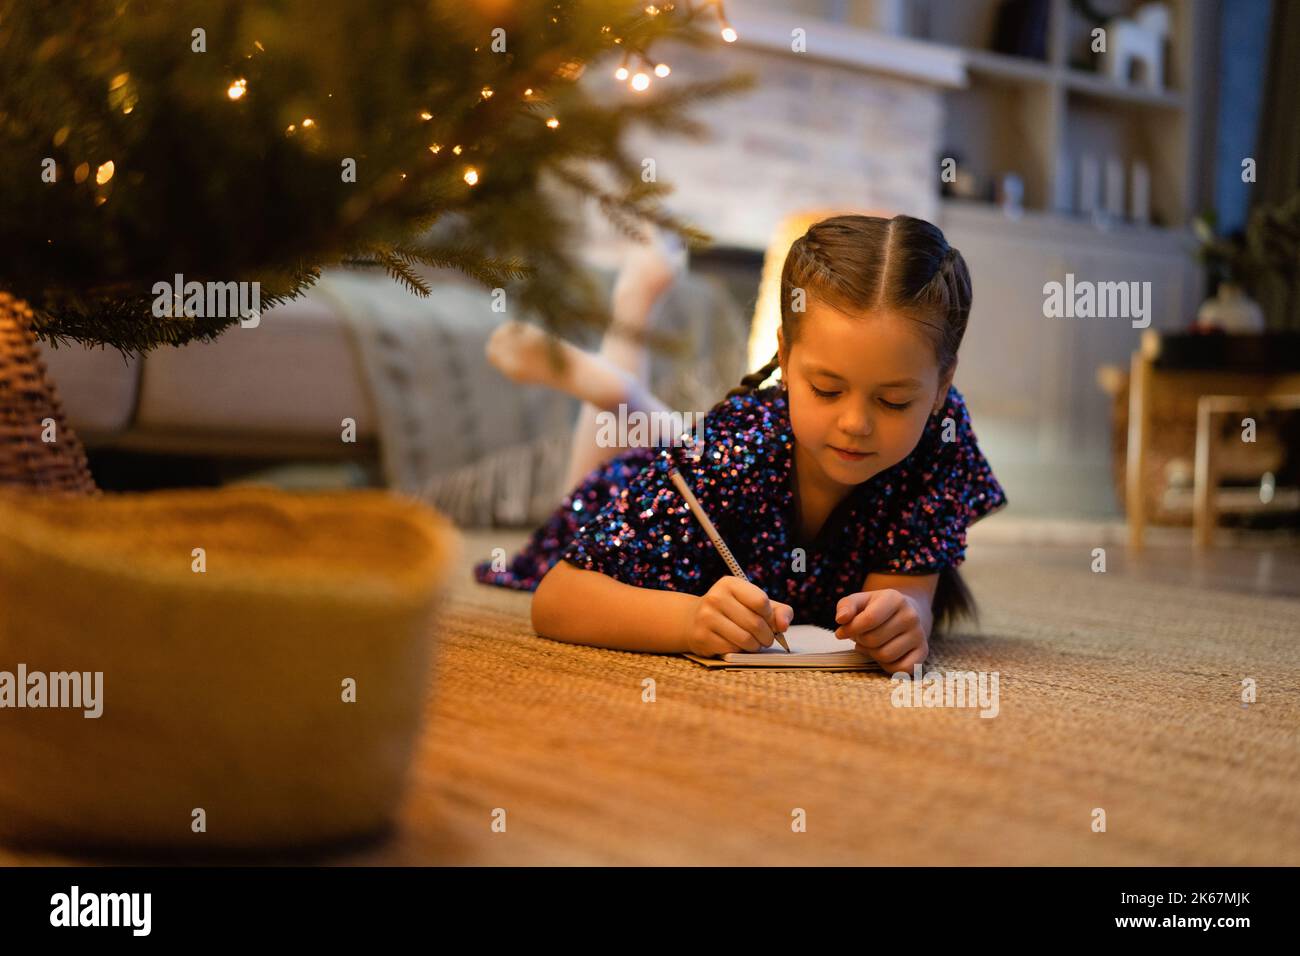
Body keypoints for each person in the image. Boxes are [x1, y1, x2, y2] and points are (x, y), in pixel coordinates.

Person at [474, 214, 1008, 674]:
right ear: (784, 354)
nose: (856, 424)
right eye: (826, 389)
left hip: (696, 459)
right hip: (625, 496)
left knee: (679, 446)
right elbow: (558, 599)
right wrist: (687, 621)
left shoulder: (943, 434)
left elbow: (910, 583)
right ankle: (621, 361)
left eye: (893, 402)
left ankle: (623, 386)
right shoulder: (736, 451)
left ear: (942, 385)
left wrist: (907, 614)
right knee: (618, 467)